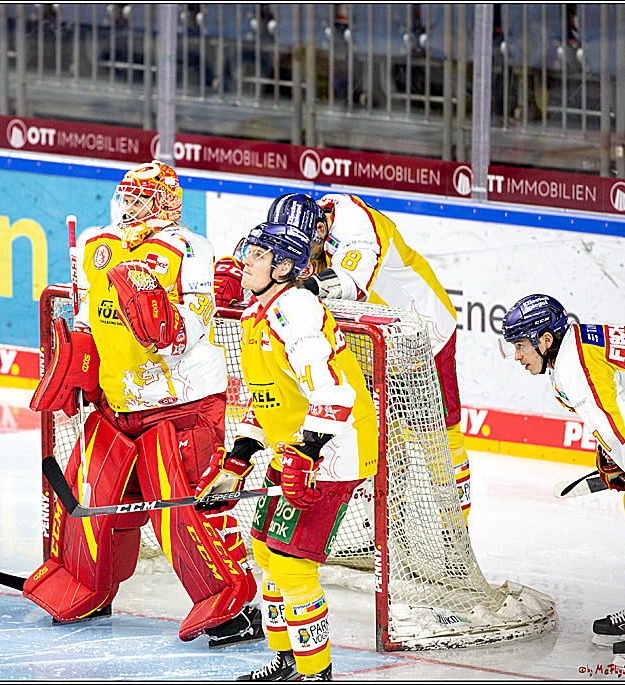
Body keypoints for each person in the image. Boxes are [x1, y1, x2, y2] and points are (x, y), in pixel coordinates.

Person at [24, 160, 262, 648]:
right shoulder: (97, 244)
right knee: (89, 497)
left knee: (183, 512)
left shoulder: (189, 249)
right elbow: (91, 319)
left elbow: (192, 328)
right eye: (127, 198)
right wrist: (78, 362)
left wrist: (157, 314)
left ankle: (231, 607)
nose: (132, 207)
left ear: (165, 202)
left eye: (142, 199)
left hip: (181, 407)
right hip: (118, 404)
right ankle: (89, 586)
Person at [199, 206, 378, 681]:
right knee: (263, 548)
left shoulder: (294, 308)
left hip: (333, 450)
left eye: (257, 256)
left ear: (283, 266)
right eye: (248, 253)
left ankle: (315, 673)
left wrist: (307, 452)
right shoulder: (260, 313)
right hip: (301, 449)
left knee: (290, 561)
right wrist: (235, 464)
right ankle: (286, 661)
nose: (246, 264)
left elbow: (334, 392)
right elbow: (270, 403)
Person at [217, 193, 472, 525]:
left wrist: (280, 287)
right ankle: (382, 530)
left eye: (303, 247)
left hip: (422, 335)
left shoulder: (356, 224)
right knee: (378, 436)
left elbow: (349, 284)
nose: (296, 257)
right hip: (367, 342)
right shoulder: (304, 233)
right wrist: (233, 279)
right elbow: (266, 263)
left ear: (321, 229)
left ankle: (456, 528)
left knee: (438, 437)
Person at [501, 294, 625, 664]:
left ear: (545, 340)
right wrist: (614, 463)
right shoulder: (574, 353)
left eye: (520, 345)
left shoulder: (573, 368)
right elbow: (622, 406)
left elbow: (619, 428)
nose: (517, 356)